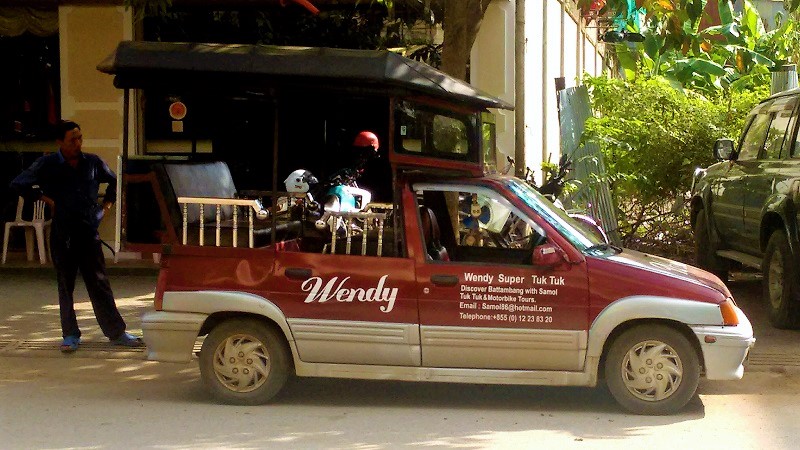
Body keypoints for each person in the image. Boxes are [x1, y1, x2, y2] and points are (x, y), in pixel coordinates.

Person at [11, 120, 144, 353]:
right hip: (63, 233)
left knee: (99, 283)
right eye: (72, 139)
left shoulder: (91, 162)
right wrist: (46, 199)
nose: (78, 143)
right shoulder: (47, 164)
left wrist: (107, 206)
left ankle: (116, 332)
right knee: (66, 285)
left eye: (80, 138)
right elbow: (19, 184)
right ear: (60, 142)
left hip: (88, 230)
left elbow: (114, 180)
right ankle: (70, 334)